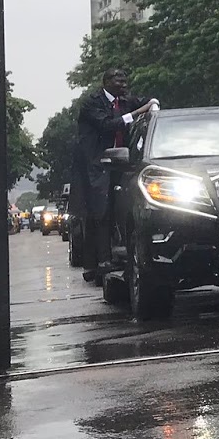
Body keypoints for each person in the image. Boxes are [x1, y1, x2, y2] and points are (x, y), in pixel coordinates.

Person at [70, 68, 154, 280]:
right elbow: (107, 125)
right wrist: (139, 111)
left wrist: (152, 104)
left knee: (123, 206)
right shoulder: (92, 103)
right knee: (99, 212)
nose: (124, 85)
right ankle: (99, 262)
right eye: (119, 82)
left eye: (125, 81)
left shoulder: (124, 101)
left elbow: (148, 101)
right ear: (106, 82)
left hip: (121, 162)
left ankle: (119, 255)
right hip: (96, 165)